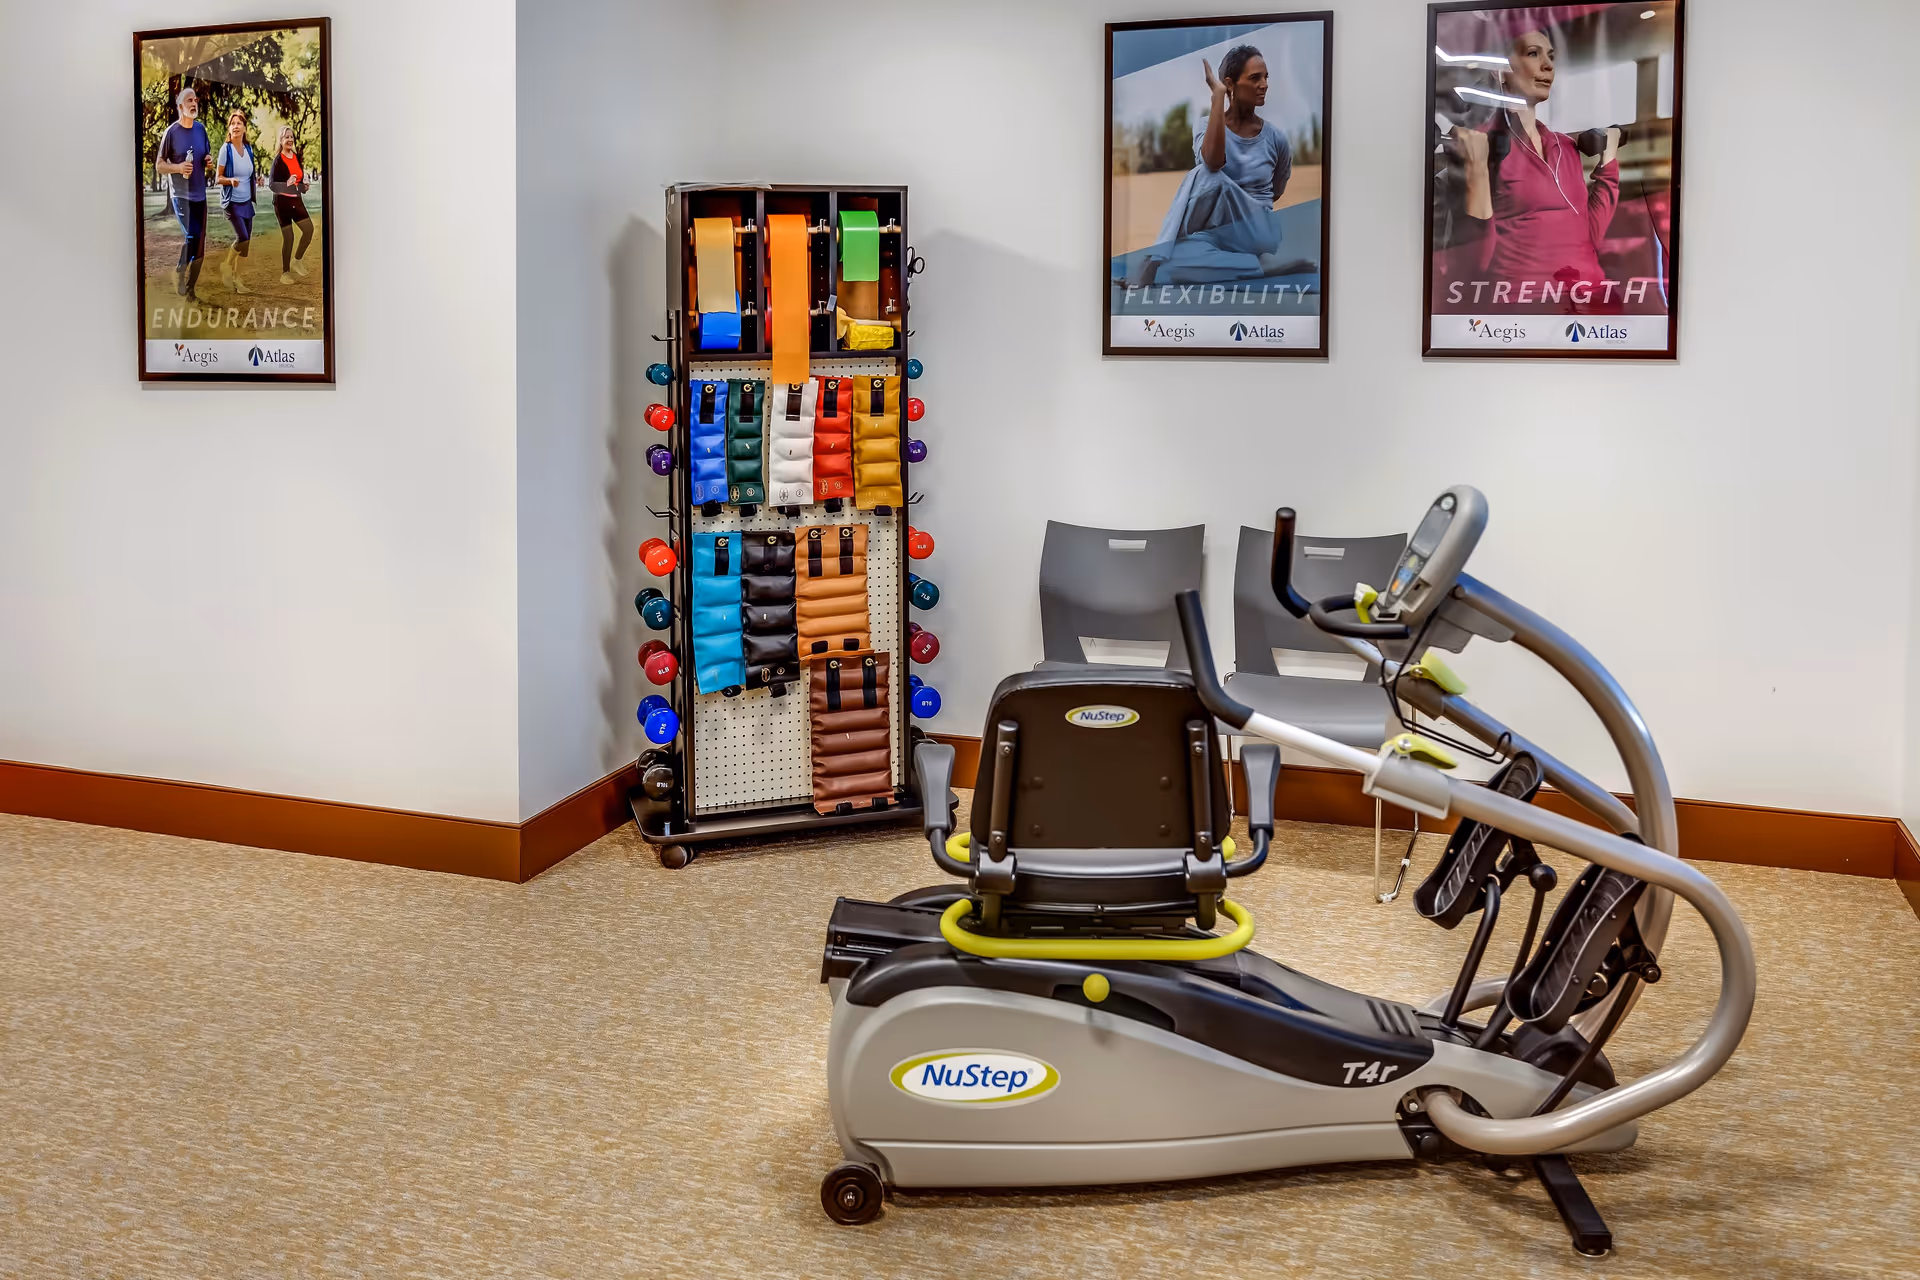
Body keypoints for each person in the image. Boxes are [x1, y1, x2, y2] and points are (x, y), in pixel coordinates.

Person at [1452, 28, 1621, 305]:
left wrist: (1609, 163)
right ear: (1500, 71)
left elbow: (1589, 237)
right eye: (1533, 54)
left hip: (1592, 303)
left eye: (1551, 57)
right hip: (1526, 306)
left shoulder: (1565, 146)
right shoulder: (1483, 145)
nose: (1548, 65)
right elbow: (1475, 262)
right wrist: (1477, 173)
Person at [1137, 45, 1310, 286]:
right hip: (1217, 235)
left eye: (1266, 77)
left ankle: (1151, 260)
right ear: (1230, 84)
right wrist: (1217, 96)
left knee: (1207, 174)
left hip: (1258, 230)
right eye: (1254, 78)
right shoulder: (1204, 126)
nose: (1264, 84)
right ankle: (1259, 266)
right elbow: (1214, 157)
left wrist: (1238, 205)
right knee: (1175, 266)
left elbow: (1275, 191)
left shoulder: (1276, 138)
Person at [153, 85, 213, 301]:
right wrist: (178, 168)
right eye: (189, 100)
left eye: (195, 100)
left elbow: (206, 157)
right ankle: (180, 271)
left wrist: (208, 161)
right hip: (180, 194)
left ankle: (191, 289)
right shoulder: (171, 133)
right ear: (180, 106)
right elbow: (159, 165)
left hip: (200, 194)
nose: (194, 103)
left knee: (200, 244)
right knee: (192, 235)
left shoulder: (201, 130)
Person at [214, 110, 257, 295]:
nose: (236, 126)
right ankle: (226, 265)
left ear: (245, 128)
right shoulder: (226, 150)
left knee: (245, 246)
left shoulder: (249, 150)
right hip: (232, 201)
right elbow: (218, 178)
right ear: (229, 129)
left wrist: (258, 181)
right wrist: (230, 180)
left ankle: (238, 281)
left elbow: (249, 174)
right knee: (243, 238)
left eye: (239, 123)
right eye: (233, 123)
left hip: (247, 202)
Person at [269, 125, 316, 284]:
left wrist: (304, 187)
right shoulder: (278, 161)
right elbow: (273, 185)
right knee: (289, 237)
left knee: (308, 229)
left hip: (296, 200)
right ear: (281, 141)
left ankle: (297, 260)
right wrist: (286, 183)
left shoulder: (296, 157)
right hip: (282, 204)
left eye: (291, 137)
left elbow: (299, 183)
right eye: (286, 137)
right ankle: (285, 273)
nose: (289, 140)